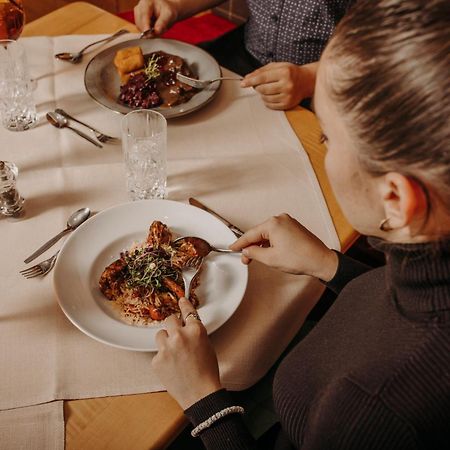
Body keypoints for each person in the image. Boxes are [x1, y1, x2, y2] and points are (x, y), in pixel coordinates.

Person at [152, 0, 450, 448]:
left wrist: (205, 402)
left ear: (396, 197)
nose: (323, 149)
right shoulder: (428, 253)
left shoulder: (370, 407)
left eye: (327, 138)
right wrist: (331, 266)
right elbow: (402, 305)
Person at [133, 0, 355, 110]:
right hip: (243, 53)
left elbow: (387, 53)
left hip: (328, 82)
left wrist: (311, 78)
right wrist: (175, 4)